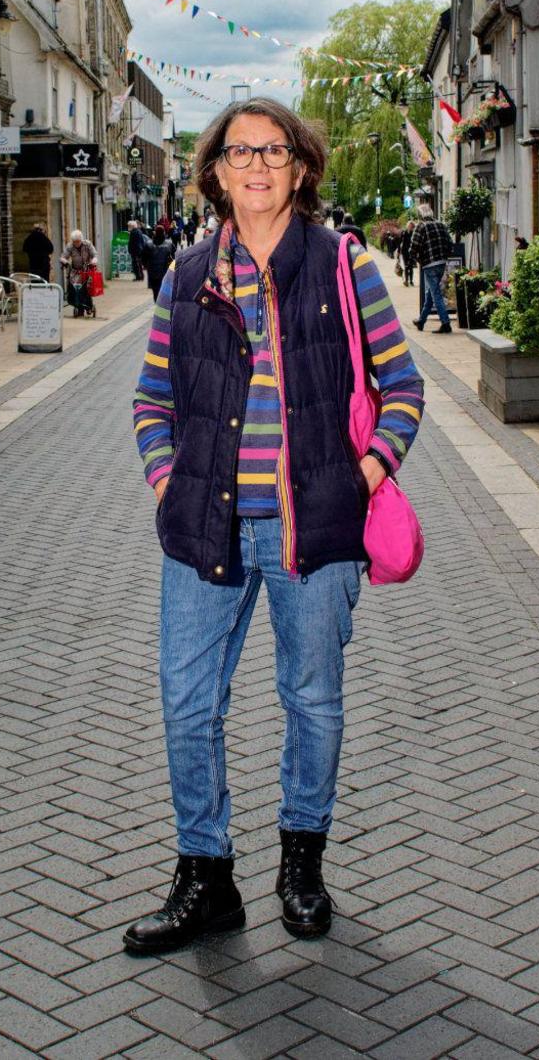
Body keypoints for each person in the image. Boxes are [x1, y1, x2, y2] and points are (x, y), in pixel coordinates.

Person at [127, 96, 426, 955]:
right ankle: (206, 877)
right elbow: (153, 400)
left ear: (301, 167)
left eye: (274, 150)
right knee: (187, 701)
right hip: (204, 529)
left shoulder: (345, 267)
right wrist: (166, 483)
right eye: (238, 152)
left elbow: (402, 389)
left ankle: (303, 861)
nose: (256, 166)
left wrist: (361, 478)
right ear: (214, 172)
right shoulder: (185, 276)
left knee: (312, 700)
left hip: (314, 531)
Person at [407, 204, 457, 334]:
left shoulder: (421, 226)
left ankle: (445, 323)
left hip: (429, 264)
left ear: (420, 215)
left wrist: (413, 259)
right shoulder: (440, 224)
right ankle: (421, 321)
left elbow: (414, 246)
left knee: (435, 294)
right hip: (441, 263)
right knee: (431, 293)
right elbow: (450, 244)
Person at [63, 228, 98, 318]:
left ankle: (89, 306)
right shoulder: (70, 246)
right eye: (75, 241)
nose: (76, 243)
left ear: (81, 239)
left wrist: (93, 261)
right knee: (75, 289)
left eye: (78, 241)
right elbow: (63, 257)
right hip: (75, 271)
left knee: (85, 289)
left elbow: (94, 255)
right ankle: (78, 307)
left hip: (86, 270)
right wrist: (65, 262)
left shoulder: (87, 244)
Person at [141, 224, 172, 297]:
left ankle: (157, 301)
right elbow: (173, 257)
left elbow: (143, 257)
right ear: (164, 232)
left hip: (153, 270)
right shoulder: (169, 244)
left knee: (155, 290)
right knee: (164, 288)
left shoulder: (149, 244)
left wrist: (145, 265)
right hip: (165, 270)